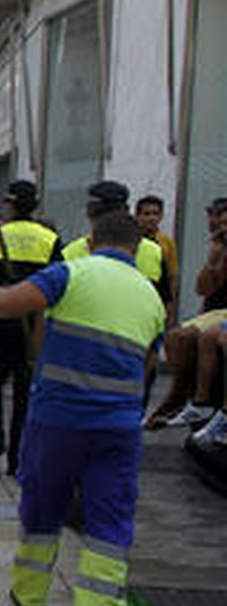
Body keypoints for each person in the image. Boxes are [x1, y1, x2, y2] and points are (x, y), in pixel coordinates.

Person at [0, 212, 166, 606]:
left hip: (59, 419)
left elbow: (4, 306)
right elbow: (148, 364)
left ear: (91, 241)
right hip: (119, 428)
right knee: (109, 521)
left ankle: (29, 594)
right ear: (136, 248)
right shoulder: (151, 296)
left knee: (44, 502)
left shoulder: (72, 272)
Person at [0, 180, 61, 473]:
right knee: (24, 391)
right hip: (32, 325)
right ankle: (17, 456)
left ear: (9, 204)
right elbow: (60, 285)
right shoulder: (50, 240)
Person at [146, 197, 227, 429]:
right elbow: (203, 289)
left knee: (207, 336)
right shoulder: (218, 247)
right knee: (177, 337)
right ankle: (182, 397)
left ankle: (198, 402)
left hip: (221, 318)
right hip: (216, 312)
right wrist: (214, 262)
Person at [63, 181, 171, 307]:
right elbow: (164, 303)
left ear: (88, 214)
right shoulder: (153, 252)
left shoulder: (69, 253)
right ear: (126, 213)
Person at [135, 195, 179, 324]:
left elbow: (172, 276)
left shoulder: (166, 242)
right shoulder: (131, 240)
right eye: (146, 214)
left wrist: (170, 305)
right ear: (138, 216)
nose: (151, 218)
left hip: (158, 297)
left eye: (155, 213)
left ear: (161, 216)